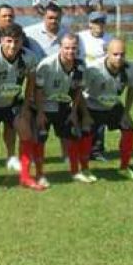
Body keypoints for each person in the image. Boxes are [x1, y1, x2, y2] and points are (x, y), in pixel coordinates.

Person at [0, 24, 46, 192]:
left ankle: (25, 177)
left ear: (22, 41)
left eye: (16, 41)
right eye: (8, 41)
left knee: (25, 131)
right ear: (2, 41)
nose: (12, 46)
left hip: (13, 102)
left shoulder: (29, 57)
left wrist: (25, 107)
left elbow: (31, 80)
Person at [34, 34, 90, 186]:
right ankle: (40, 175)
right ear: (60, 48)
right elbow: (37, 90)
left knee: (72, 137)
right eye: (66, 48)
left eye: (73, 48)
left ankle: (75, 172)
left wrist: (73, 112)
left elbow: (78, 89)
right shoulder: (46, 65)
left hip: (64, 106)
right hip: (44, 107)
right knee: (40, 140)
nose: (70, 51)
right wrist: (39, 113)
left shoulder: (80, 66)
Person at [81, 38, 133, 181]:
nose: (119, 58)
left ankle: (125, 167)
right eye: (115, 54)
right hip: (92, 105)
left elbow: (132, 88)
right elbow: (78, 91)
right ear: (107, 53)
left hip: (113, 104)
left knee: (129, 127)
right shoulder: (93, 69)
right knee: (86, 132)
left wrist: (126, 112)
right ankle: (84, 169)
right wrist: (84, 115)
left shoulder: (130, 68)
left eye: (122, 54)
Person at [77, 11, 113, 161]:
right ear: (90, 23)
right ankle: (81, 148)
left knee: (100, 117)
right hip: (82, 81)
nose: (99, 25)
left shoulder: (110, 40)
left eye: (101, 22)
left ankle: (97, 150)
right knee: (81, 115)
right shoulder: (80, 38)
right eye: (96, 22)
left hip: (101, 83)